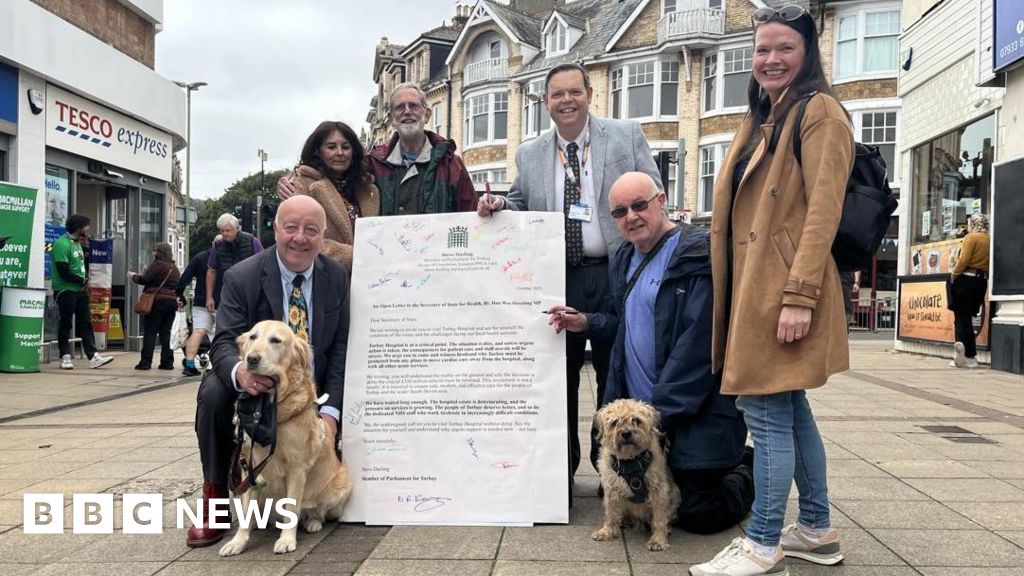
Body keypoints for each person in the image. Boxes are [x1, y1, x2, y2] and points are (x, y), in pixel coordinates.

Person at [692, 6, 854, 576]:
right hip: (754, 291)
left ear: (807, 53)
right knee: (790, 408)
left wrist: (799, 296)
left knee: (764, 414)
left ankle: (762, 542)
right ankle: (815, 528)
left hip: (782, 293)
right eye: (762, 50)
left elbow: (823, 214)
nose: (771, 59)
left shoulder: (820, 113)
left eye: (784, 48)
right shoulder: (765, 116)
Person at [477, 63, 663, 494]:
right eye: (557, 94)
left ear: (590, 93)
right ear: (546, 102)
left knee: (613, 373)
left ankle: (614, 473)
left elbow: (651, 190)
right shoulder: (530, 152)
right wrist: (498, 203)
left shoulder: (625, 134)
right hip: (555, 276)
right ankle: (558, 472)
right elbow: (523, 201)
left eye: (574, 92)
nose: (566, 101)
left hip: (614, 270)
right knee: (556, 377)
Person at [549, 172, 754, 534]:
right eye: (620, 211)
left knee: (697, 514)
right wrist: (586, 322)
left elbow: (699, 347)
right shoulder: (625, 257)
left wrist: (658, 419)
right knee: (623, 495)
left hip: (690, 416)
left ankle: (747, 466)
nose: (631, 216)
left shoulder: (697, 252)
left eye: (640, 205)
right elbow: (622, 321)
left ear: (661, 201)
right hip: (646, 421)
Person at [187, 195, 350, 548]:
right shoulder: (242, 275)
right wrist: (242, 376)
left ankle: (312, 494)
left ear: (323, 235)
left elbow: (338, 350)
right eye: (290, 228)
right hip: (254, 377)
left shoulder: (335, 276)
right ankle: (214, 494)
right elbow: (225, 341)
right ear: (275, 229)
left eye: (311, 230)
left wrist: (332, 413)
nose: (300, 238)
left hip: (308, 388)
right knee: (213, 391)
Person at [279, 84, 476, 216]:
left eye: (413, 106)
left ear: (427, 113)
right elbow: (329, 169)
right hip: (384, 270)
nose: (407, 111)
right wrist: (293, 178)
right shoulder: (372, 163)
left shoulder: (452, 164)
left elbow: (472, 215)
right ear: (391, 117)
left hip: (436, 270)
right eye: (399, 107)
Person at [289, 120, 380, 270]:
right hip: (326, 280)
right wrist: (357, 256)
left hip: (368, 280)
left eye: (345, 147)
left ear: (354, 152)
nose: (339, 153)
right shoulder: (302, 186)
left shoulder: (368, 189)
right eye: (331, 147)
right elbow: (302, 238)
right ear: (318, 151)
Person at [51, 214, 113, 370]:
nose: (88, 230)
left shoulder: (77, 243)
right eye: (86, 227)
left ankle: (93, 356)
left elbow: (81, 266)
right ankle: (64, 356)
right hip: (65, 290)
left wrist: (85, 280)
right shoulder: (61, 244)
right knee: (65, 323)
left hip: (80, 290)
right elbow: (63, 270)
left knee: (85, 322)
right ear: (78, 228)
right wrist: (82, 280)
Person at [129, 242, 181, 370]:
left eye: (155, 250)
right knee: (166, 333)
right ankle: (167, 363)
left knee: (150, 332)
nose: (153, 253)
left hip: (157, 302)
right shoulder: (174, 268)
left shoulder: (157, 264)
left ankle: (145, 362)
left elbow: (145, 279)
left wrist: (133, 276)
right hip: (171, 302)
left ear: (159, 252)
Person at [950, 213, 990, 369]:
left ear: (972, 224)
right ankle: (969, 355)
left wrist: (954, 275)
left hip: (965, 279)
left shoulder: (971, 238)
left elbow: (964, 260)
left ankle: (966, 354)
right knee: (968, 317)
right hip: (981, 282)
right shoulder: (990, 239)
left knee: (960, 317)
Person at [205, 213, 263, 314]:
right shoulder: (217, 246)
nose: (224, 233)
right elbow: (211, 271)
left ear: (237, 228)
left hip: (251, 290)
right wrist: (209, 297)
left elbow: (264, 264)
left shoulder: (252, 241)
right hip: (228, 292)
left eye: (228, 230)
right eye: (222, 231)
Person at [175, 248, 212, 377]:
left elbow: (185, 277)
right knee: (219, 334)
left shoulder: (200, 256)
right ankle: (215, 366)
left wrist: (179, 293)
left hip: (201, 301)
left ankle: (190, 365)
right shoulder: (229, 256)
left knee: (197, 332)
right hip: (222, 301)